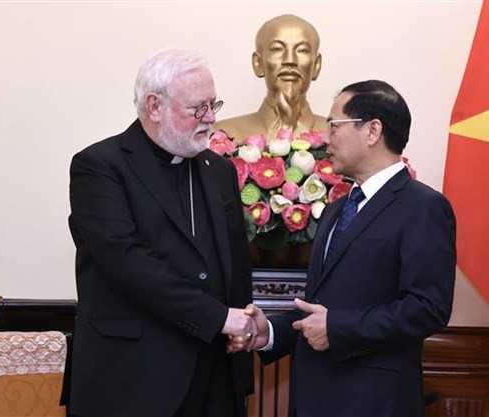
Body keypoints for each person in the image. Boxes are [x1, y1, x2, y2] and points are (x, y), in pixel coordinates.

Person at [230, 80, 457, 417]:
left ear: (372, 131)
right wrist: (271, 331)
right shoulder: (338, 207)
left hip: (374, 401)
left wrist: (337, 329)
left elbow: (428, 308)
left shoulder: (422, 207)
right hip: (312, 397)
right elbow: (321, 306)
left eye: (334, 126)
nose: (325, 137)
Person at [62, 48, 258, 417]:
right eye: (198, 108)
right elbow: (128, 263)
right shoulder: (100, 167)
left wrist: (241, 349)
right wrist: (217, 317)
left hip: (215, 374)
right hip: (133, 379)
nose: (212, 118)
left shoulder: (219, 170)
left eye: (213, 104)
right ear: (154, 106)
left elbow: (235, 265)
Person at [212, 14, 327, 142]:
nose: (290, 60)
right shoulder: (224, 135)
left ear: (316, 65)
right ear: (258, 63)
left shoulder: (336, 137)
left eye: (302, 50)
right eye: (277, 49)